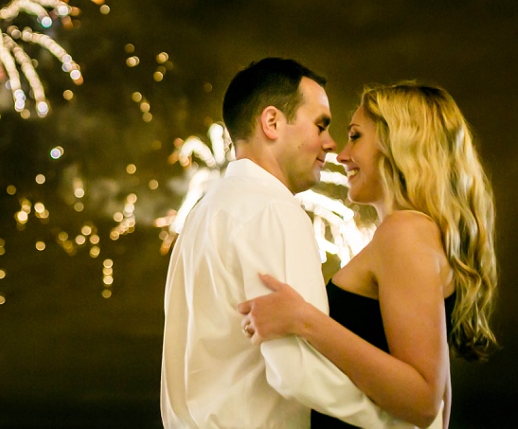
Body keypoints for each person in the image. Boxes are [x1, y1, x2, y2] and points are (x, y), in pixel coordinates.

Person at [161, 57, 409, 428]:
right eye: (321, 125)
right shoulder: (273, 210)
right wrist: (393, 420)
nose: (331, 144)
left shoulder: (202, 214)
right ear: (272, 122)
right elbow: (294, 368)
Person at [238, 83, 497, 429]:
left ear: (399, 144)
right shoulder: (415, 233)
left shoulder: (404, 232)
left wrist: (303, 319)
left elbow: (424, 401)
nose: (341, 155)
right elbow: (441, 404)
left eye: (356, 137)